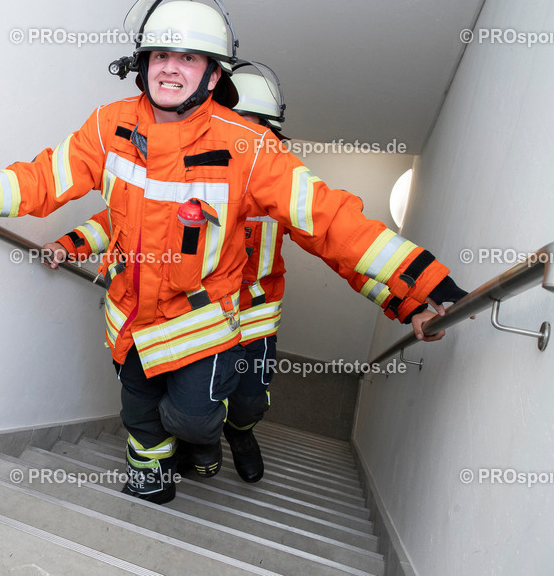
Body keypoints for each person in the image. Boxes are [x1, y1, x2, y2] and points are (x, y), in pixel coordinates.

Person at [0, 0, 465, 504]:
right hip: (128, 319)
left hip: (199, 327)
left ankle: (207, 439)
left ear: (212, 76)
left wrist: (425, 286)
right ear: (143, 66)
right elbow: (43, 178)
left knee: (195, 417)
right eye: (160, 56)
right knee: (138, 415)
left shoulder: (248, 148)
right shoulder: (110, 126)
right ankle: (151, 474)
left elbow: (332, 223)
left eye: (188, 58)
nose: (170, 68)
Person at [40, 61, 429, 484]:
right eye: (237, 119)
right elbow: (119, 221)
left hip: (252, 320)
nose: (242, 132)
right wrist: (69, 244)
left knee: (248, 405)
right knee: (183, 401)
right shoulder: (197, 172)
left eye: (255, 124)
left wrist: (410, 304)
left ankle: (240, 435)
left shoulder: (274, 180)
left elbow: (340, 249)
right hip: (200, 319)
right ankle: (194, 441)